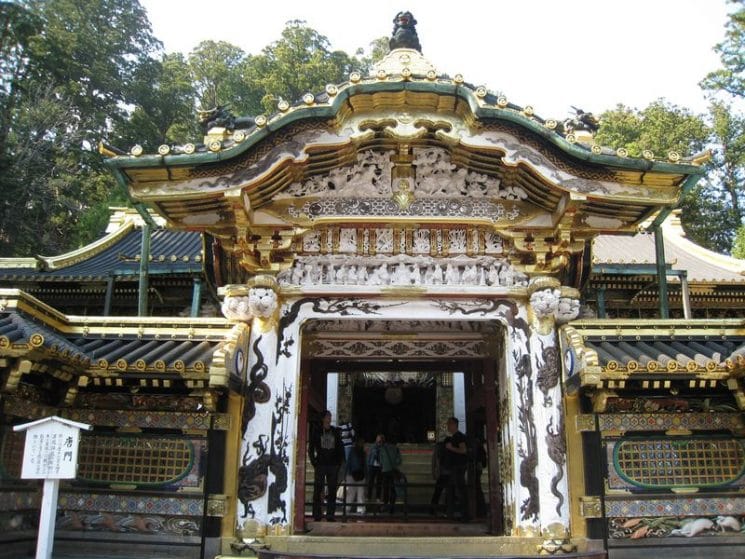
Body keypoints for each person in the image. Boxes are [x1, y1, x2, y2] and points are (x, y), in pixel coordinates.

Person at [309, 410, 344, 521]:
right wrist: (314, 461)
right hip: (320, 464)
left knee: (332, 490)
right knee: (318, 489)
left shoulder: (335, 431)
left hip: (333, 465)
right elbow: (311, 448)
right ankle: (317, 514)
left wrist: (339, 462)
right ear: (323, 418)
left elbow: (340, 447)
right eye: (327, 416)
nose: (329, 418)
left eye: (330, 416)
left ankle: (330, 515)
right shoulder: (317, 431)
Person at [443, 417, 469, 522]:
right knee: (452, 490)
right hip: (454, 467)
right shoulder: (454, 437)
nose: (448, 426)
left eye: (449, 424)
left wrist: (451, 448)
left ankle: (464, 515)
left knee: (460, 491)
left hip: (458, 467)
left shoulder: (459, 437)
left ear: (454, 425)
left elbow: (463, 450)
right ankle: (452, 513)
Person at [344, 435, 367, 515]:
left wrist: (346, 474)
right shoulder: (362, 452)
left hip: (352, 474)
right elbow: (364, 464)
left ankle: (348, 508)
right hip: (359, 474)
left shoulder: (352, 451)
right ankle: (360, 509)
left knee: (352, 492)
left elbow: (348, 463)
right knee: (360, 492)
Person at [380, 437, 402, 514]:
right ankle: (392, 507)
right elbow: (399, 461)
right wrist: (394, 464)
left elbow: (380, 460)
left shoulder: (383, 448)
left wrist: (385, 465)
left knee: (385, 489)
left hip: (385, 471)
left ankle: (385, 505)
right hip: (393, 471)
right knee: (393, 489)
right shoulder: (396, 449)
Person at [429, 440, 450, 515]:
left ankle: (433, 509)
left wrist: (434, 472)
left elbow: (434, 461)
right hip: (447, 473)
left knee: (438, 492)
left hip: (442, 473)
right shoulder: (447, 449)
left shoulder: (439, 449)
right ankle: (447, 510)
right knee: (448, 493)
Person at [366, 433, 385, 503]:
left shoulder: (383, 447)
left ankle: (378, 497)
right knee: (370, 482)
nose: (378, 440)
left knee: (379, 482)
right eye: (377, 439)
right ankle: (369, 496)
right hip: (372, 466)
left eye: (379, 439)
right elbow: (369, 456)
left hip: (380, 467)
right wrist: (368, 464)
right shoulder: (373, 446)